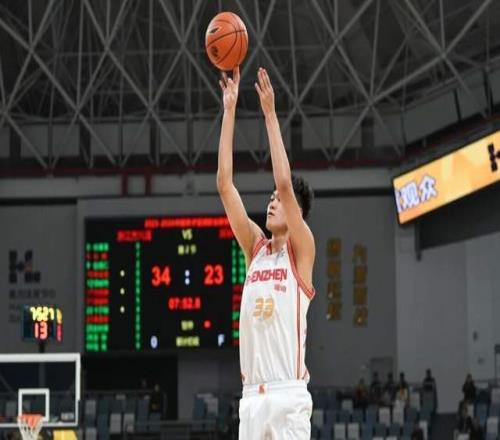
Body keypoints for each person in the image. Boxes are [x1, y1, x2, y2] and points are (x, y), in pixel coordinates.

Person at [217, 66, 316, 440]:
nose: (272, 202)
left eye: (279, 201)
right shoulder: (254, 248)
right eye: (270, 199)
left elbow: (285, 184)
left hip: (287, 396)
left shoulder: (302, 250)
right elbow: (225, 186)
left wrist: (270, 114)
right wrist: (229, 110)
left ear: (297, 213)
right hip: (252, 399)